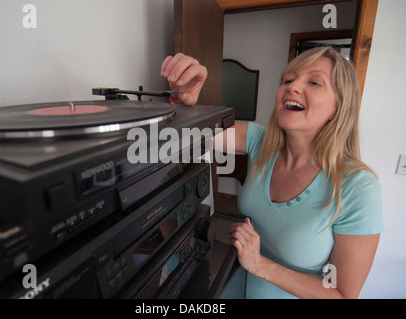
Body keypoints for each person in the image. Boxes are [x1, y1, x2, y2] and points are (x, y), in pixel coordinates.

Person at [161, 47, 383, 299]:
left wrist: (259, 264)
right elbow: (187, 135)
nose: (293, 87)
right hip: (236, 281)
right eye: (288, 80)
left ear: (338, 107)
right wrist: (185, 98)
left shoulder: (357, 187)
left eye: (314, 82)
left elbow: (342, 294)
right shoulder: (261, 141)